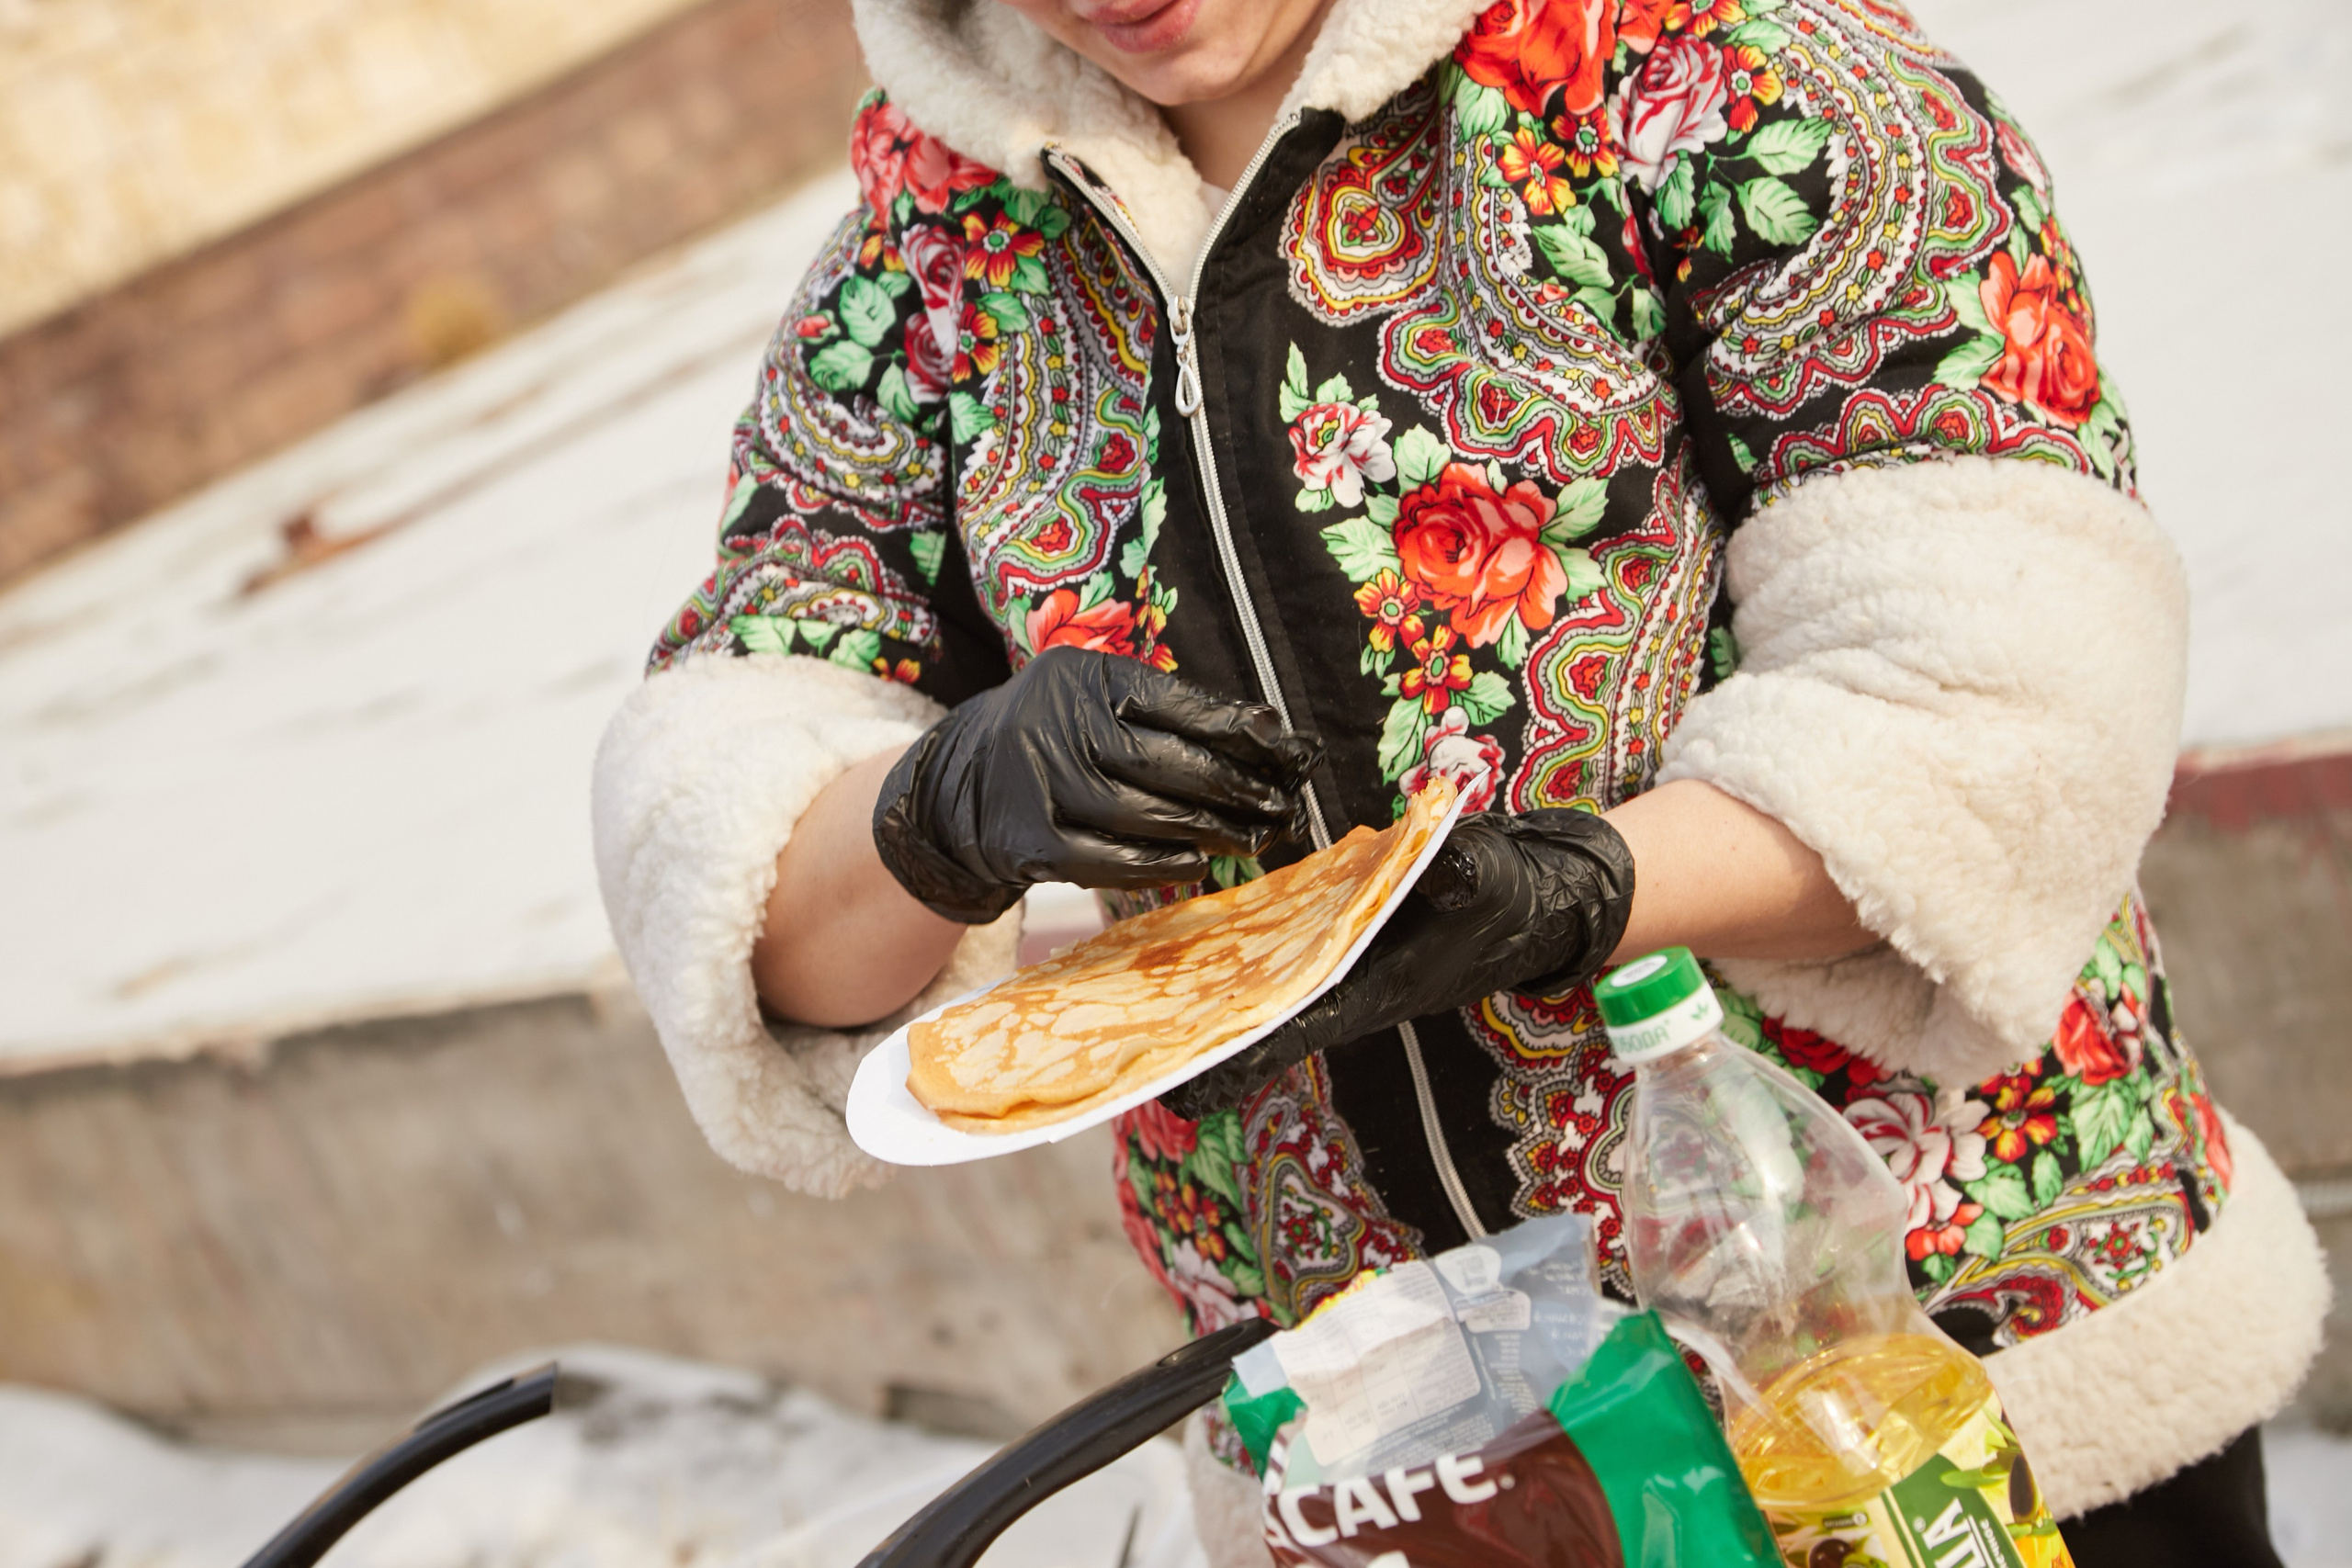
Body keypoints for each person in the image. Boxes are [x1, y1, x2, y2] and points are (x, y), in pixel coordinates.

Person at [589, 0, 2327, 1558]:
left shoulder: (1729, 77)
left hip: (1944, 1361)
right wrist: (929, 820)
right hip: (1423, 1477)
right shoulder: (912, 287)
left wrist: (1579, 890)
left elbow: (2007, 691)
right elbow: (735, 868)